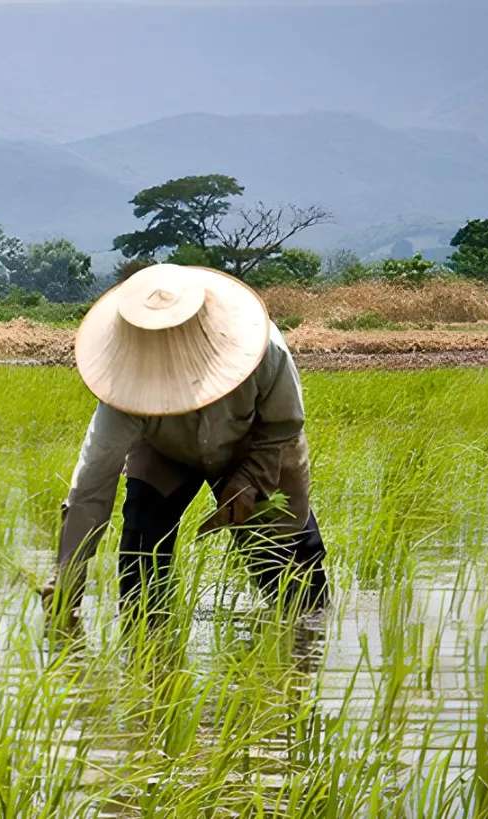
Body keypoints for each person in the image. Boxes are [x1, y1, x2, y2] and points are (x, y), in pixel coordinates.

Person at [42, 263, 327, 634]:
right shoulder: (122, 390)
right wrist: (68, 579)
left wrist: (248, 480)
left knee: (298, 583)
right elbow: (92, 485)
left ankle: (302, 648)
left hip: (254, 446)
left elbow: (284, 425)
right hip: (164, 453)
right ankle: (149, 657)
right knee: (142, 566)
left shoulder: (263, 349)